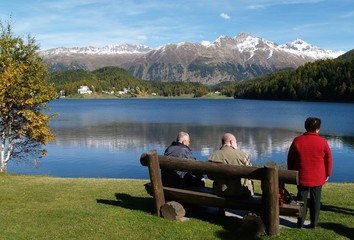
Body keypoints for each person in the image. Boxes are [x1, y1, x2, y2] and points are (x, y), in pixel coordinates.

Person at [287, 117, 332, 229]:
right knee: (315, 201)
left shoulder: (297, 140)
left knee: (301, 200)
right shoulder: (323, 142)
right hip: (318, 177)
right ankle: (314, 224)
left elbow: (290, 158)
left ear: (306, 127)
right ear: (317, 129)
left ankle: (300, 223)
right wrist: (327, 173)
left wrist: (292, 172)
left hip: (301, 176)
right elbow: (328, 159)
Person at [208, 133, 254, 198]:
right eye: (236, 142)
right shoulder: (242, 155)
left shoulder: (213, 156)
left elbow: (210, 176)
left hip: (219, 192)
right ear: (231, 142)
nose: (236, 144)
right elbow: (251, 174)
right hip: (240, 192)